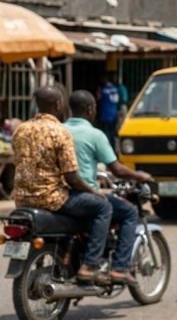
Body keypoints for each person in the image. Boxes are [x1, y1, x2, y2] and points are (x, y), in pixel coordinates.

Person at [11, 85, 113, 285]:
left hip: (21, 199)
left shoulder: (21, 130)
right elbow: (72, 177)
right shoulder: (60, 131)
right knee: (103, 207)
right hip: (52, 199)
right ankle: (90, 266)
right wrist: (94, 192)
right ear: (58, 104)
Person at [65, 90, 153, 285]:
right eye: (94, 107)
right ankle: (117, 268)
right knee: (129, 212)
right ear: (90, 109)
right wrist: (139, 175)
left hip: (61, 194)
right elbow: (117, 169)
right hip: (82, 194)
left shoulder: (60, 130)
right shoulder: (95, 134)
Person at [96, 73, 121, 148]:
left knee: (106, 133)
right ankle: (113, 148)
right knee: (112, 132)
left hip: (105, 114)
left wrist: (98, 91)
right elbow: (117, 100)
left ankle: (107, 148)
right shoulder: (114, 88)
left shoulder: (102, 89)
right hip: (113, 113)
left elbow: (98, 98)